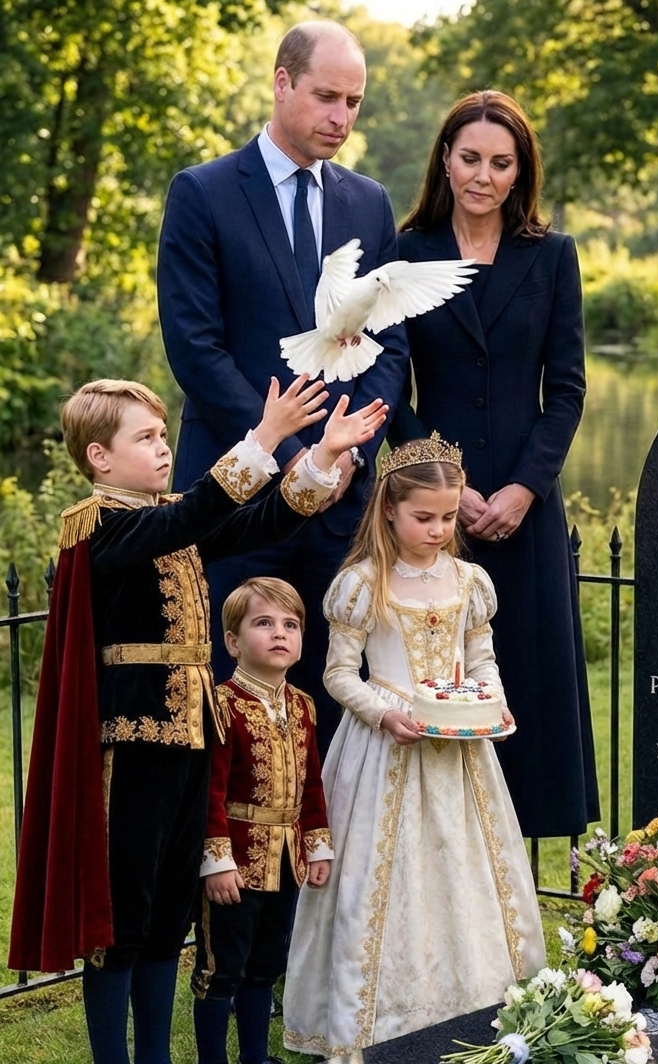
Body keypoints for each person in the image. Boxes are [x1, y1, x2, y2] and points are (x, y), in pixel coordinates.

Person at [7, 376, 387, 1064]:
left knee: (165, 916)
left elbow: (255, 521)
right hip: (131, 749)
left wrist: (320, 459)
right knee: (123, 918)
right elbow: (199, 511)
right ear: (99, 457)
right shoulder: (99, 525)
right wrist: (264, 437)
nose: (162, 448)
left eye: (162, 434)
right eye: (145, 438)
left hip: (188, 741)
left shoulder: (166, 520)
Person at [157, 18, 408, 752]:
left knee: (336, 700)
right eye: (327, 97)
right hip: (235, 496)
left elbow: (390, 344)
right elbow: (196, 349)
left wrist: (347, 451)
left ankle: (327, 832)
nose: (341, 117)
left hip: (341, 502)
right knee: (223, 704)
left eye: (354, 102)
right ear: (281, 82)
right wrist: (299, 456)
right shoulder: (203, 192)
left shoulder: (370, 202)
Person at [282, 435, 546, 1055]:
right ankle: (380, 1012)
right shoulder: (362, 584)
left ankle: (474, 1000)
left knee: (464, 864)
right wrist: (383, 712)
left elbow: (481, 659)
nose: (438, 530)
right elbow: (338, 674)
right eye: (424, 517)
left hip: (458, 752)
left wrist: (489, 700)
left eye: (448, 518)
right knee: (381, 874)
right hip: (384, 749)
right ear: (388, 510)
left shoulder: (470, 581)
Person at [389, 90, 598, 839]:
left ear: (521, 171)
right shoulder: (405, 253)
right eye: (470, 158)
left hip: (523, 507)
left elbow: (567, 389)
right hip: (430, 506)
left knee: (528, 676)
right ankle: (440, 850)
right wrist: (447, 482)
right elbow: (390, 388)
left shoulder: (552, 256)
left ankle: (520, 863)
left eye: (500, 163)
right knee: (435, 676)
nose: (483, 176)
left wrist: (523, 488)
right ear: (445, 160)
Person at [191, 577, 332, 1064]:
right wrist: (216, 861)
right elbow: (210, 789)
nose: (279, 634)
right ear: (232, 641)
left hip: (287, 858)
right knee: (222, 964)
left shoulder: (303, 706)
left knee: (266, 962)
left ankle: (253, 1058)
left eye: (291, 625)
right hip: (236, 860)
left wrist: (317, 846)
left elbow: (312, 784)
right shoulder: (222, 705)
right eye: (264, 623)